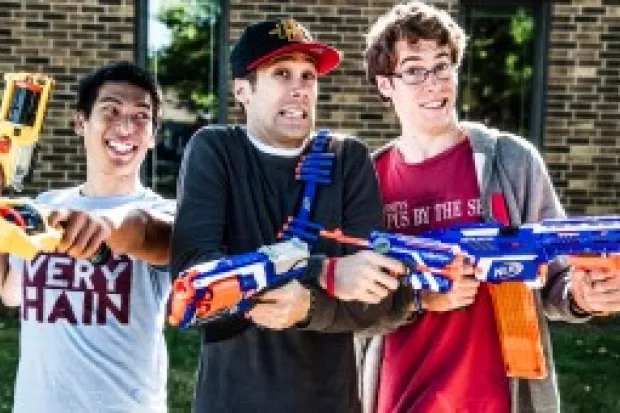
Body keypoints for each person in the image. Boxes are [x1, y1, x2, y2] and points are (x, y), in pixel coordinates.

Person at [356, 2, 620, 413]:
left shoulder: (510, 162)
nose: (434, 83)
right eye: (413, 69)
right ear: (385, 84)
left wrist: (582, 294)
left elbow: (557, 273)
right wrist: (421, 296)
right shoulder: (367, 180)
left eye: (443, 65)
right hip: (400, 395)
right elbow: (352, 309)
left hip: (496, 397)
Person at [171, 17, 408, 413]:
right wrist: (324, 272)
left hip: (328, 401)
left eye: (309, 76)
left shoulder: (346, 158)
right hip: (232, 401)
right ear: (243, 90)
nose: (300, 89)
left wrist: (308, 308)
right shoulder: (216, 151)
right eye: (282, 73)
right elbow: (197, 280)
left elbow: (375, 298)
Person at [0, 61, 175, 413]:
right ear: (81, 122)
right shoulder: (44, 205)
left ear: (153, 135)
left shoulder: (167, 213)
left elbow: (140, 228)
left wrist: (101, 225)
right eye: (111, 110)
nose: (126, 127)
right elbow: (10, 293)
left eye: (141, 117)